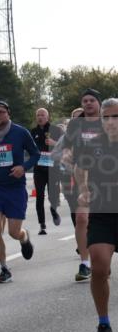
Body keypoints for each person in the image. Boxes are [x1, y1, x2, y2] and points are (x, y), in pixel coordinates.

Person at [0, 100, 40, 283]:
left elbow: (35, 154)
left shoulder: (21, 132)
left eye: (1, 112)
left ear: (8, 114)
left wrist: (23, 167)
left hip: (15, 188)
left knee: (13, 232)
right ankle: (4, 268)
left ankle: (24, 237)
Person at [72, 97, 118, 332]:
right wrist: (83, 188)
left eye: (115, 116)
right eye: (106, 117)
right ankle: (104, 324)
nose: (111, 121)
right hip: (102, 212)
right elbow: (80, 168)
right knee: (99, 268)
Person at [56, 90, 107, 281]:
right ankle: (85, 264)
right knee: (81, 219)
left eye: (92, 100)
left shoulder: (108, 121)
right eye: (85, 100)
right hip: (82, 176)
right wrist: (66, 154)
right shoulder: (75, 124)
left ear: (99, 103)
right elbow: (67, 145)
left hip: (107, 176)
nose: (88, 103)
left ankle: (103, 260)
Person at [30, 107, 64, 235]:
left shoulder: (56, 130)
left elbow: (66, 145)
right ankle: (42, 225)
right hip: (39, 168)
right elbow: (28, 147)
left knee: (53, 196)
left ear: (47, 117)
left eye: (42, 115)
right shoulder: (33, 132)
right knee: (39, 196)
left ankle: (54, 210)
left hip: (53, 168)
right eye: (38, 115)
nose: (40, 117)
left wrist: (54, 143)